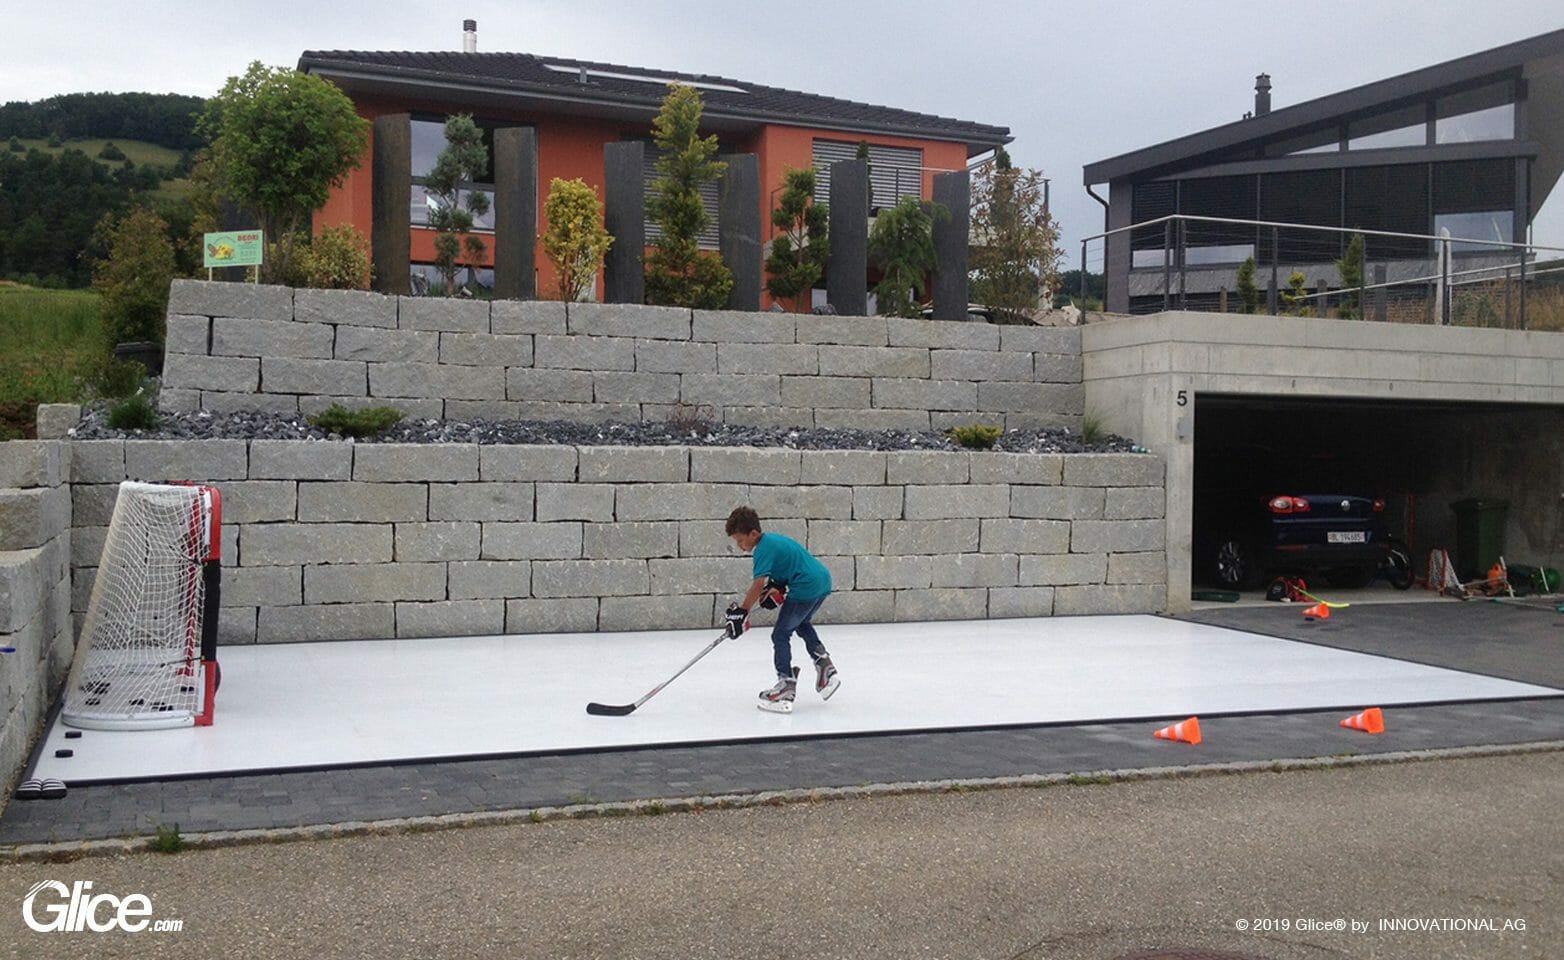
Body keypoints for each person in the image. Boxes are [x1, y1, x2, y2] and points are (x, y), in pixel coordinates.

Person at [723, 506, 839, 713]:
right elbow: (785, 569)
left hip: (805, 586)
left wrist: (742, 612)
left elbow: (758, 584)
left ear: (754, 534)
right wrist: (776, 587)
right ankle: (825, 667)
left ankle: (785, 684)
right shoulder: (773, 541)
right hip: (822, 581)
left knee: (780, 634)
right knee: (801, 623)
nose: (740, 546)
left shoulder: (763, 549)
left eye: (741, 540)